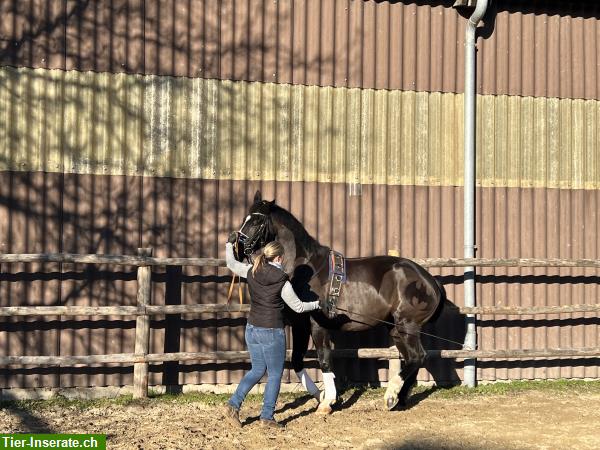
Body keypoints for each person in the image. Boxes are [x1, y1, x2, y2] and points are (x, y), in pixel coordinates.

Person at [223, 238, 320, 429]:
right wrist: (318, 304)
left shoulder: (252, 270)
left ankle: (233, 405)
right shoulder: (282, 280)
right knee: (275, 374)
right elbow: (299, 307)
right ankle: (267, 417)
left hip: (252, 329)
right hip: (271, 331)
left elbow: (231, 263)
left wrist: (229, 245)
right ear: (278, 257)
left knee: (257, 370)